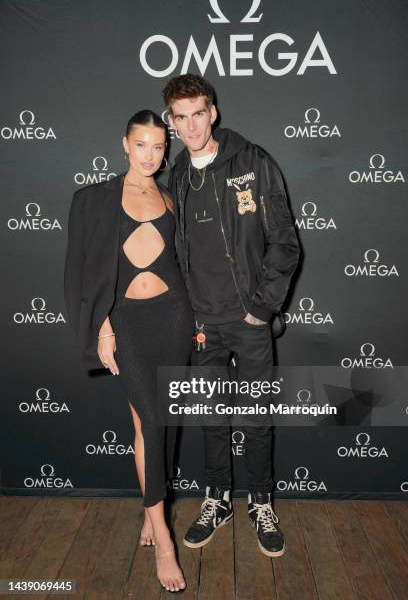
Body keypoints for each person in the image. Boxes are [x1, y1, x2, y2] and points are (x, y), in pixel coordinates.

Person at [162, 74, 300, 558]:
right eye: (181, 117)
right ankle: (217, 498)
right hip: (202, 325)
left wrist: (261, 308)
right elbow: (174, 255)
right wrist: (188, 317)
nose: (191, 125)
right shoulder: (177, 175)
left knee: (258, 416)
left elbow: (284, 241)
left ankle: (261, 501)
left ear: (213, 112)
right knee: (211, 419)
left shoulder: (253, 161)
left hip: (249, 322)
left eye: (198, 113)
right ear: (172, 123)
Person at [64, 110, 193, 593]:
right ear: (125, 144)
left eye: (159, 147)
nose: (150, 155)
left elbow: (184, 262)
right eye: (141, 145)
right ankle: (163, 537)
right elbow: (83, 272)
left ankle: (150, 508)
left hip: (175, 317)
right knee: (152, 421)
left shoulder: (169, 196)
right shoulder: (96, 199)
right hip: (128, 323)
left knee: (154, 424)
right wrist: (102, 326)